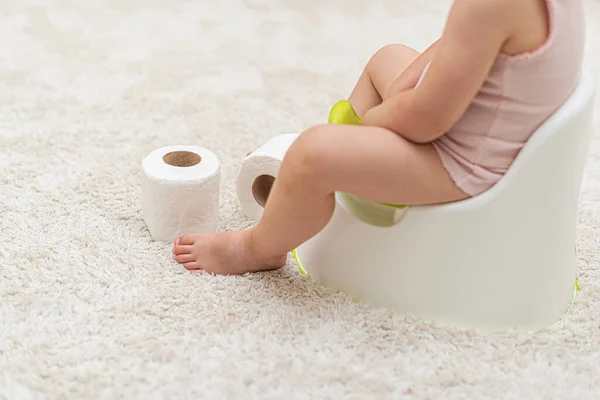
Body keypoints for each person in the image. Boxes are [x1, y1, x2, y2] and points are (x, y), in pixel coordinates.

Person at [172, 0, 585, 274]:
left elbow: (426, 119)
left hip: (465, 165)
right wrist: (407, 89)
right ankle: (313, 182)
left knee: (313, 152)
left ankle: (258, 248)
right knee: (387, 58)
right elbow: (446, 57)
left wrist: (373, 123)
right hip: (486, 130)